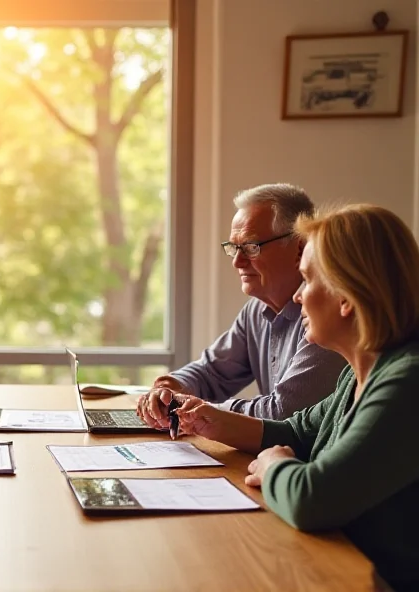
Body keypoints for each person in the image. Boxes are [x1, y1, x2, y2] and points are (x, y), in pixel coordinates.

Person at [170, 204, 419, 591]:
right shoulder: (359, 373)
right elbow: (298, 431)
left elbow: (313, 499)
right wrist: (214, 422)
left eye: (307, 280)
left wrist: (272, 467)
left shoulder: (408, 382)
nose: (299, 297)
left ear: (346, 297)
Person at [138, 183, 346, 424]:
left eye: (250, 247)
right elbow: (210, 373)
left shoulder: (326, 315)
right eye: (234, 248)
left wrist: (197, 410)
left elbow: (283, 413)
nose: (238, 261)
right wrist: (167, 390)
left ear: (299, 246)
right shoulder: (256, 311)